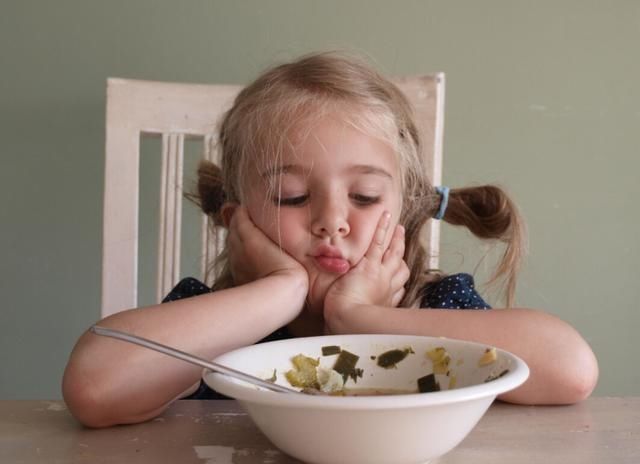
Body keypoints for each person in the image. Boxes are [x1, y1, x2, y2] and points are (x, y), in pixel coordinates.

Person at [63, 51, 598, 428]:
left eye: (364, 197)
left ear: (405, 212)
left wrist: (362, 318)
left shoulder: (433, 306)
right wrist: (279, 290)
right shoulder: (210, 320)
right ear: (236, 218)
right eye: (292, 196)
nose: (331, 221)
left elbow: (570, 371)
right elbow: (94, 388)